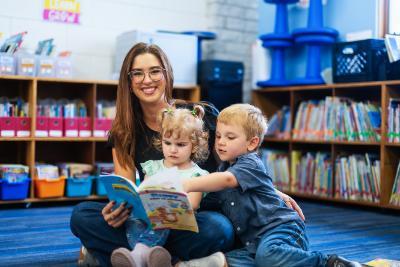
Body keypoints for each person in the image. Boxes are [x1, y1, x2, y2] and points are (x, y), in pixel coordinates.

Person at [70, 42, 302, 266]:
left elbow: (240, 161)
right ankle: (176, 261)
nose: (147, 80)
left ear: (167, 75)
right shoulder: (124, 133)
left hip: (202, 214)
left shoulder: (200, 115)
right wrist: (117, 211)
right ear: (129, 82)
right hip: (151, 218)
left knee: (218, 230)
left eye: (154, 72)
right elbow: (126, 192)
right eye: (137, 73)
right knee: (82, 216)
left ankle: (119, 254)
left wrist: (270, 190)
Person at [182, 103, 367, 267]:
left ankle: (328, 262)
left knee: (267, 256)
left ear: (252, 143)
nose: (221, 142)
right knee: (230, 259)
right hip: (253, 243)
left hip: (282, 229)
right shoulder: (222, 169)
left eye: (230, 138)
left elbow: (228, 180)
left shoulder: (250, 164)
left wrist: (186, 184)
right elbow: (208, 199)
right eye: (219, 136)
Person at [111, 105, 226, 267]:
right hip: (147, 219)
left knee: (167, 221)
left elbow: (192, 204)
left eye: (180, 145)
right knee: (132, 220)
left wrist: (165, 202)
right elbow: (144, 192)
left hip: (176, 222)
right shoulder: (154, 167)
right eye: (167, 142)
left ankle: (139, 256)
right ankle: (159, 258)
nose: (172, 150)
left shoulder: (197, 175)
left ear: (194, 145)